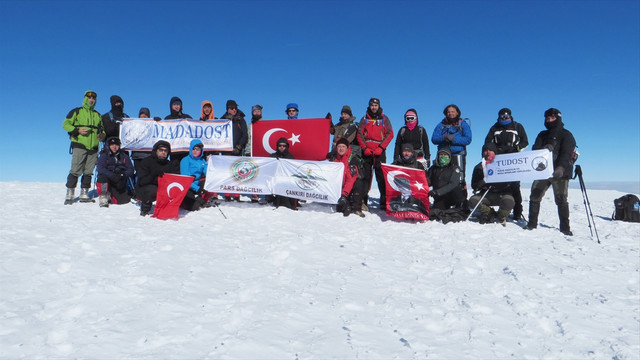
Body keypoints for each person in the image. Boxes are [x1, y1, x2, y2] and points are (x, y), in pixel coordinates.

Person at [524, 108, 576, 235]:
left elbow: (567, 153)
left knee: (561, 199)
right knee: (535, 196)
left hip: (560, 172)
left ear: (558, 118)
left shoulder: (566, 134)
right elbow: (535, 150)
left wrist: (561, 168)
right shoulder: (542, 135)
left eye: (552, 118)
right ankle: (531, 224)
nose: (549, 120)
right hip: (543, 171)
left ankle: (565, 228)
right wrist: (544, 148)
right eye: (547, 118)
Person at [484, 107, 529, 220]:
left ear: (510, 116)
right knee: (499, 184)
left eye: (506, 116)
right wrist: (495, 151)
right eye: (502, 116)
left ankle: (518, 211)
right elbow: (487, 142)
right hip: (498, 161)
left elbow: (525, 142)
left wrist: (516, 148)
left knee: (515, 186)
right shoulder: (494, 128)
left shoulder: (517, 126)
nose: (504, 118)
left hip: (513, 160)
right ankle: (501, 210)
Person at [62, 90, 104, 204]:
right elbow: (65, 124)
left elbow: (102, 129)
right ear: (85, 98)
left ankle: (84, 194)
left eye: (93, 98)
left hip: (94, 147)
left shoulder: (97, 115)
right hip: (80, 145)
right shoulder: (76, 111)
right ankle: (70, 194)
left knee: (88, 171)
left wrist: (102, 135)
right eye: (89, 98)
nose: (91, 100)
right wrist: (77, 130)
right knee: (75, 170)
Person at [356, 97, 394, 211]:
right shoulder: (364, 118)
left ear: (379, 106)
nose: (374, 107)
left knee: (381, 176)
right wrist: (364, 148)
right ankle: (363, 200)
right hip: (367, 151)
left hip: (379, 151)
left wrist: (381, 148)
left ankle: (383, 201)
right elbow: (359, 134)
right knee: (365, 176)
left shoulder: (384, 118)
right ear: (369, 106)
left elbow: (390, 134)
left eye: (376, 105)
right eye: (372, 105)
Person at [468, 143, 515, 226]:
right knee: (473, 201)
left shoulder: (504, 165)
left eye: (490, 150)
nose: (488, 152)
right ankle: (490, 213)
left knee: (509, 201)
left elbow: (510, 182)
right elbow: (474, 186)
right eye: (485, 151)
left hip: (501, 194)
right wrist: (483, 182)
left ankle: (501, 216)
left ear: (495, 152)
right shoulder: (478, 167)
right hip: (486, 195)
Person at [136, 140, 180, 216]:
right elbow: (142, 181)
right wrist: (154, 175)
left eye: (166, 151)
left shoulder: (169, 164)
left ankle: (170, 208)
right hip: (146, 188)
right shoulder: (146, 162)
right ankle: (145, 209)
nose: (163, 152)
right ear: (156, 150)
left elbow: (175, 179)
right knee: (152, 189)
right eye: (161, 150)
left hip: (164, 188)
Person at [431, 104, 472, 179]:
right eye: (448, 112)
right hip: (443, 155)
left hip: (458, 155)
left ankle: (461, 189)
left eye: (453, 111)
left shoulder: (463, 124)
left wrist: (454, 139)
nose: (450, 113)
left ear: (457, 113)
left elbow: (468, 139)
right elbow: (434, 139)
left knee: (459, 178)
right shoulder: (441, 125)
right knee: (443, 179)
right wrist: (444, 137)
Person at [219, 100, 248, 201]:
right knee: (227, 172)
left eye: (235, 108)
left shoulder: (241, 119)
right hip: (226, 150)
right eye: (232, 108)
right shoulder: (222, 119)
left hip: (237, 150)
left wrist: (239, 146)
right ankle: (227, 193)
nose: (234, 110)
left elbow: (245, 134)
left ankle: (236, 194)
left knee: (237, 172)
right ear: (227, 109)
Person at [328, 137, 365, 217]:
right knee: (340, 210)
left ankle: (357, 208)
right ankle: (346, 204)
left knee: (358, 183)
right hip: (339, 186)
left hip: (350, 186)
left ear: (347, 148)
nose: (341, 149)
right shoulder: (333, 158)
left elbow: (350, 180)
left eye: (343, 146)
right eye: (339, 146)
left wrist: (344, 195)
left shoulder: (352, 160)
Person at [96, 137, 135, 207]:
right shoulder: (104, 155)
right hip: (108, 177)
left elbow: (131, 169)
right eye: (112, 145)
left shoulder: (124, 156)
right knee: (102, 177)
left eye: (116, 145)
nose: (114, 147)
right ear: (109, 146)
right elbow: (100, 168)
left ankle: (111, 194)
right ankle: (103, 196)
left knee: (123, 201)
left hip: (120, 178)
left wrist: (123, 175)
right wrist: (112, 175)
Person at [427, 146, 466, 211]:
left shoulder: (454, 168)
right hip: (440, 197)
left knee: (456, 189)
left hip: (452, 195)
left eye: (445, 155)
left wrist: (438, 192)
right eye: (441, 154)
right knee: (436, 212)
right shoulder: (433, 168)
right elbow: (428, 181)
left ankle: (461, 205)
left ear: (449, 156)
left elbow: (453, 184)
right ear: (437, 156)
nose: (443, 157)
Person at [180, 139, 210, 211]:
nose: (195, 151)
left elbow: (208, 174)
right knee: (194, 207)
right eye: (193, 149)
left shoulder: (202, 161)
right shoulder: (185, 160)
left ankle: (199, 199)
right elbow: (185, 179)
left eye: (197, 149)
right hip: (187, 186)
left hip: (197, 185)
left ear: (201, 150)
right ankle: (185, 202)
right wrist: (197, 188)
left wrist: (209, 164)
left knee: (207, 183)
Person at [268, 137, 298, 210]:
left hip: (286, 181)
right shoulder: (272, 156)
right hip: (274, 179)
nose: (282, 147)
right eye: (280, 145)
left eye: (284, 146)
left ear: (287, 146)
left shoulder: (290, 158)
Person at [246, 104, 264, 203]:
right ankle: (254, 193)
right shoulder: (250, 125)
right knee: (253, 174)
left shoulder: (265, 124)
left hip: (261, 152)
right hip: (251, 152)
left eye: (258, 111)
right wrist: (247, 150)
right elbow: (247, 139)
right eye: (254, 111)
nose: (256, 113)